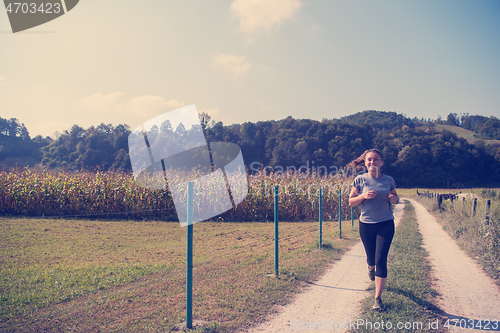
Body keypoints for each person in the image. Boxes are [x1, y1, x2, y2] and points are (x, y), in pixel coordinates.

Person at [347, 149, 399, 311]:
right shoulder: (360, 180)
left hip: (386, 223)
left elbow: (396, 197)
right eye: (369, 159)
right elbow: (351, 202)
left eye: (376, 159)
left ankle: (378, 298)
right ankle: (370, 268)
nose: (372, 162)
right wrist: (363, 196)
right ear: (365, 162)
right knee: (371, 259)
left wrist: (394, 198)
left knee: (380, 260)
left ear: (381, 162)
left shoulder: (388, 180)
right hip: (366, 224)